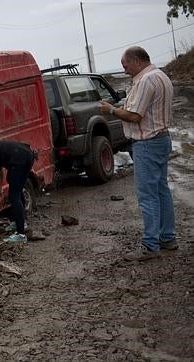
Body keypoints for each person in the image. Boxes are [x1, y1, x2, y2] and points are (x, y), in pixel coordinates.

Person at [98, 46, 176, 262]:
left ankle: (151, 245)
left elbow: (134, 116)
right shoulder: (161, 76)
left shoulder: (145, 81)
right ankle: (168, 237)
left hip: (147, 143)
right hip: (161, 139)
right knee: (161, 190)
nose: (124, 71)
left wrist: (111, 110)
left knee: (148, 195)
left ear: (137, 61)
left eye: (126, 66)